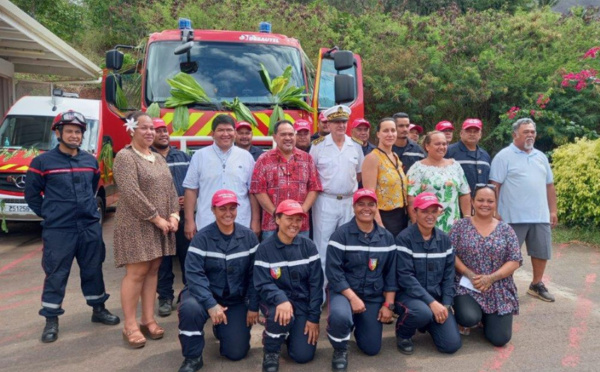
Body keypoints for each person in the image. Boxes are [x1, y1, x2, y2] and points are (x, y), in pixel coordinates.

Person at [24, 110, 119, 343]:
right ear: (58, 133)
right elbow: (31, 195)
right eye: (69, 131)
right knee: (56, 274)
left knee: (93, 270)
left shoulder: (89, 161)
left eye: (78, 132)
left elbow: (94, 187)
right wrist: (50, 214)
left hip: (88, 227)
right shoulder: (42, 162)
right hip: (59, 230)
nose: (74, 135)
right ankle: (51, 320)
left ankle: (98, 310)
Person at [113, 111, 179, 348]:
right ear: (132, 130)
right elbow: (131, 193)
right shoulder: (125, 157)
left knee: (153, 270)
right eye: (145, 128)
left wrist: (174, 215)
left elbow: (171, 188)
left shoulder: (158, 158)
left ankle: (147, 319)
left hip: (160, 223)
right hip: (136, 224)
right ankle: (129, 325)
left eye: (153, 128)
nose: (151, 132)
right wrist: (156, 218)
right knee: (137, 272)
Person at [177, 190, 259, 372]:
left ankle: (221, 328)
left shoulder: (249, 238)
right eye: (222, 209)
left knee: (236, 352)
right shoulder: (201, 239)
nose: (228, 213)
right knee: (190, 309)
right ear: (213, 210)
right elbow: (194, 274)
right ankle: (192, 357)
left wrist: (253, 305)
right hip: (203, 294)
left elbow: (255, 275)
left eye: (232, 208)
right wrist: (210, 304)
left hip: (234, 298)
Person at [326, 189, 397, 371]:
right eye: (361, 204)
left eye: (371, 204)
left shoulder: (386, 238)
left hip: (372, 296)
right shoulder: (340, 235)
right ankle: (340, 348)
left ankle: (357, 323)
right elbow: (334, 273)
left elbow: (390, 274)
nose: (366, 208)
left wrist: (388, 305)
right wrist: (352, 298)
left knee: (371, 349)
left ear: (376, 207)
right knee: (340, 316)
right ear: (354, 207)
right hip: (344, 292)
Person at [489, 118, 558, 302]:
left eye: (532, 132)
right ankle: (503, 287)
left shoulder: (541, 156)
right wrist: (494, 212)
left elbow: (549, 185)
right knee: (507, 255)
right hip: (512, 217)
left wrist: (552, 210)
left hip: (540, 215)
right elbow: (495, 185)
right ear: (515, 135)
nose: (530, 135)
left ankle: (536, 284)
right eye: (526, 132)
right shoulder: (503, 156)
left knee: (541, 252)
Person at [254, 200, 324, 372]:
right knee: (279, 316)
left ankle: (288, 334)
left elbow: (316, 284)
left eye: (298, 220)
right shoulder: (264, 248)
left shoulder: (308, 246)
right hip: (275, 304)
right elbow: (263, 283)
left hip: (302, 304)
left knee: (303, 356)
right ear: (277, 219)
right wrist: (281, 299)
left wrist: (313, 318)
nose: (294, 224)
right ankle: (271, 350)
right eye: (289, 218)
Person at [449, 185, 522, 346]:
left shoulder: (506, 229)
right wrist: (469, 273)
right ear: (473, 202)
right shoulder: (460, 226)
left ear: (495, 203)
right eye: (480, 200)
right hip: (468, 284)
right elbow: (451, 254)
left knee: (500, 339)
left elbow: (515, 260)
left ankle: (487, 320)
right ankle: (470, 318)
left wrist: (491, 278)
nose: (485, 204)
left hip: (498, 286)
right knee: (469, 318)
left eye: (490, 201)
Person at [395, 192, 461, 355]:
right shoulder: (404, 238)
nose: (430, 216)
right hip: (409, 297)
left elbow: (448, 276)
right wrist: (431, 303)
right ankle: (403, 334)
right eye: (425, 211)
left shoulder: (444, 240)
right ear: (415, 212)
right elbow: (405, 278)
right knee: (421, 312)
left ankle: (427, 323)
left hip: (436, 299)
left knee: (450, 345)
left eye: (434, 211)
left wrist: (446, 304)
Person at [183, 114, 260, 239]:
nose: (225, 134)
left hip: (240, 222)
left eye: (229, 130)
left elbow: (253, 192)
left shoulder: (246, 157)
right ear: (212, 134)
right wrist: (189, 221)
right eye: (221, 130)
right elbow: (191, 190)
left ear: (234, 133)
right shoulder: (200, 156)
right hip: (207, 222)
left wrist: (255, 221)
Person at [309, 105, 364, 273]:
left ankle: (344, 287)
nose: (341, 125)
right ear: (329, 124)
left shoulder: (355, 146)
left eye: (343, 122)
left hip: (349, 201)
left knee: (348, 244)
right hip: (325, 201)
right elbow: (312, 175)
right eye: (336, 122)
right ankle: (323, 290)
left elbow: (359, 174)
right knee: (323, 245)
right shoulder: (318, 146)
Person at [250, 120, 322, 240]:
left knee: (300, 257)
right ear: (274, 137)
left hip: (300, 224)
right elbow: (258, 190)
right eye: (283, 134)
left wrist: (302, 211)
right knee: (273, 257)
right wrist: (276, 213)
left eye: (291, 134)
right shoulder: (263, 159)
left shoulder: (307, 158)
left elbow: (314, 187)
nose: (288, 138)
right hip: (272, 224)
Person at [151, 118, 192, 317]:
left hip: (184, 217)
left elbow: (194, 182)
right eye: (158, 131)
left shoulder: (183, 156)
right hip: (160, 219)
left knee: (188, 257)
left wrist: (191, 197)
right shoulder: (147, 157)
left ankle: (188, 293)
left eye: (165, 130)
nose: (163, 134)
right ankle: (165, 297)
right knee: (163, 261)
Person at [407, 131, 470, 233]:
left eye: (444, 144)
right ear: (427, 146)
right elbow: (411, 198)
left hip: (453, 225)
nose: (441, 147)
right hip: (427, 226)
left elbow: (464, 193)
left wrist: (467, 220)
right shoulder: (417, 168)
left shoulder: (455, 166)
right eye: (437, 144)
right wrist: (417, 226)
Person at [361, 117, 408, 236]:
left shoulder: (395, 156)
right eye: (386, 131)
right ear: (378, 134)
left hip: (401, 215)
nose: (390, 134)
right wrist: (379, 223)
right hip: (385, 215)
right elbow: (369, 194)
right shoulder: (373, 158)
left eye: (393, 130)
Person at [446, 118, 491, 194]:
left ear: (480, 135)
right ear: (461, 133)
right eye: (468, 131)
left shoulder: (485, 156)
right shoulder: (449, 151)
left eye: (475, 131)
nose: (472, 134)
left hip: (480, 203)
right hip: (456, 201)